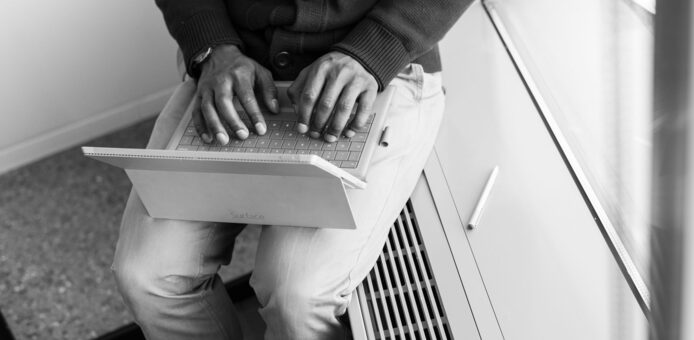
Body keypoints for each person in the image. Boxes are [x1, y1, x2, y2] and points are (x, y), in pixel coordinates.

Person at [112, 0, 472, 339]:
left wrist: (374, 50)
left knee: (298, 296)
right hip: (234, 61)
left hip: (379, 63)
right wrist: (211, 46)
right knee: (147, 276)